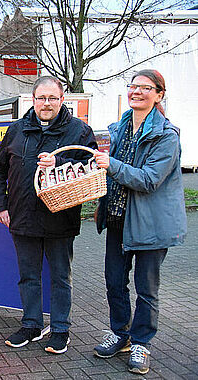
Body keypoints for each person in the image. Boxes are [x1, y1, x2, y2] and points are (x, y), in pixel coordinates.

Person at [0, 76, 97, 354]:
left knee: (61, 277)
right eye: (41, 98)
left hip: (60, 217)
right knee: (28, 276)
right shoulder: (16, 130)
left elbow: (91, 166)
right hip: (22, 217)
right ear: (33, 100)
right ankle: (31, 325)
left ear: (62, 100)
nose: (46, 104)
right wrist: (1, 206)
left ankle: (60, 329)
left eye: (52, 98)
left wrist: (59, 161)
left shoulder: (79, 131)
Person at [92, 70, 186, 375]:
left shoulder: (166, 135)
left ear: (159, 95)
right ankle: (121, 333)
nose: (137, 92)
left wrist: (112, 165)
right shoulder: (118, 128)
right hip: (118, 220)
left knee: (147, 289)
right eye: (133, 86)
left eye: (145, 88)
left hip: (150, 225)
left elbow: (149, 180)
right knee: (114, 283)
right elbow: (97, 162)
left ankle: (141, 342)